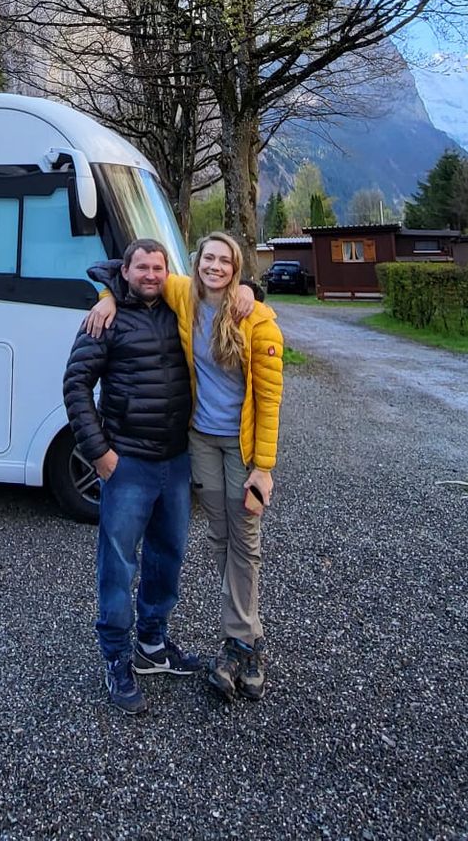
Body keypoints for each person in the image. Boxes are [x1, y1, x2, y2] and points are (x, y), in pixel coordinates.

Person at [86, 230, 285, 701]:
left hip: (240, 448)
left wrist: (264, 467)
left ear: (236, 269)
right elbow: (124, 272)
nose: (214, 267)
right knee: (220, 536)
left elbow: (270, 402)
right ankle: (232, 641)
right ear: (196, 265)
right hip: (198, 441)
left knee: (246, 537)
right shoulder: (183, 293)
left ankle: (244, 639)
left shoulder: (257, 321)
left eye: (224, 261)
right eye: (207, 259)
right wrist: (106, 299)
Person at [63, 239, 204, 715]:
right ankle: (116, 658)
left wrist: (247, 291)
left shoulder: (176, 311)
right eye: (141, 267)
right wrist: (99, 453)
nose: (150, 274)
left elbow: (224, 293)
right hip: (128, 464)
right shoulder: (104, 319)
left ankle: (152, 644)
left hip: (176, 461)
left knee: (168, 557)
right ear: (124, 271)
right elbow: (75, 384)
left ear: (168, 271)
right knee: (118, 564)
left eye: (157, 266)